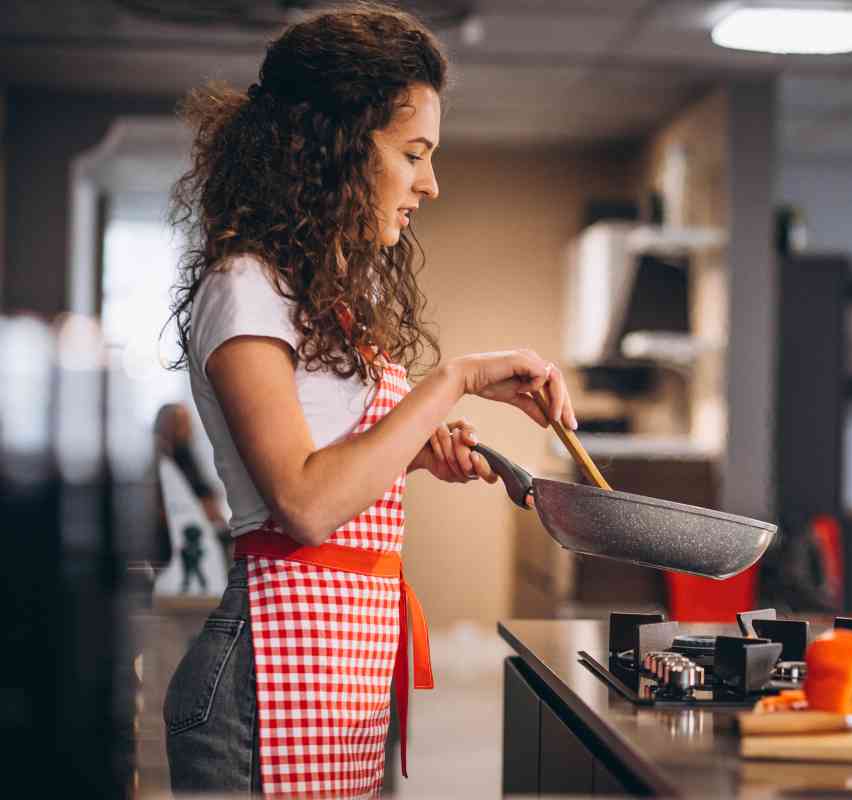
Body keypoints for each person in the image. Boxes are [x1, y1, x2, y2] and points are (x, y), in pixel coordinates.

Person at [161, 5, 578, 796]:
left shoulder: (318, 293)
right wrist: (452, 379)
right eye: (413, 153)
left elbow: (330, 461)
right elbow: (305, 503)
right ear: (333, 147)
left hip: (342, 659)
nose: (430, 182)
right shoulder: (244, 287)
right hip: (265, 674)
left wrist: (411, 452)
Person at [151, 402, 228, 566]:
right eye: (177, 422)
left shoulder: (188, 457)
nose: (185, 427)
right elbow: (165, 510)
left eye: (186, 422)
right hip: (186, 535)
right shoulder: (165, 464)